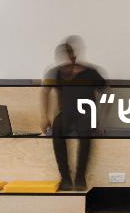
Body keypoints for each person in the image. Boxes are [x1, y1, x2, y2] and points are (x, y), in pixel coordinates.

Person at [41, 36, 106, 191]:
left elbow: (107, 92)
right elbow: (45, 92)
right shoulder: (55, 73)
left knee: (85, 130)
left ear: (74, 56)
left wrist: (102, 119)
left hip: (86, 113)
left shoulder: (91, 73)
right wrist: (44, 117)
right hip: (66, 114)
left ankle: (80, 177)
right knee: (57, 128)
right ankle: (65, 178)